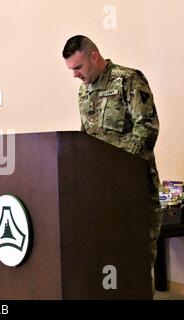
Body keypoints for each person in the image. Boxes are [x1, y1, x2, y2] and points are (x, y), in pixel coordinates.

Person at [62, 35, 161, 271]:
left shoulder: (128, 79)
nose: (75, 75)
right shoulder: (83, 92)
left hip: (132, 186)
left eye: (78, 67)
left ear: (94, 57)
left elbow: (146, 129)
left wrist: (116, 166)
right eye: (71, 70)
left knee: (137, 259)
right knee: (109, 258)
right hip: (100, 191)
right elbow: (86, 135)